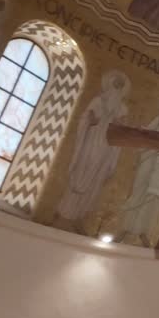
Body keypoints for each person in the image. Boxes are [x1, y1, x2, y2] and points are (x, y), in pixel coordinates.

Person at [54, 71, 130, 229]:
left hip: (106, 146)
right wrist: (91, 119)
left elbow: (122, 130)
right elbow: (86, 118)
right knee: (82, 170)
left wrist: (119, 124)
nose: (117, 88)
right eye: (116, 84)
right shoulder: (98, 100)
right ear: (110, 84)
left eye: (120, 86)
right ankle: (64, 213)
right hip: (91, 140)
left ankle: (80, 216)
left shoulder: (122, 108)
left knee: (95, 178)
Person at [116, 97, 159, 246]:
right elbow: (148, 131)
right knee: (138, 191)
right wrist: (141, 130)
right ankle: (126, 229)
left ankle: (144, 232)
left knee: (153, 198)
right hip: (148, 156)